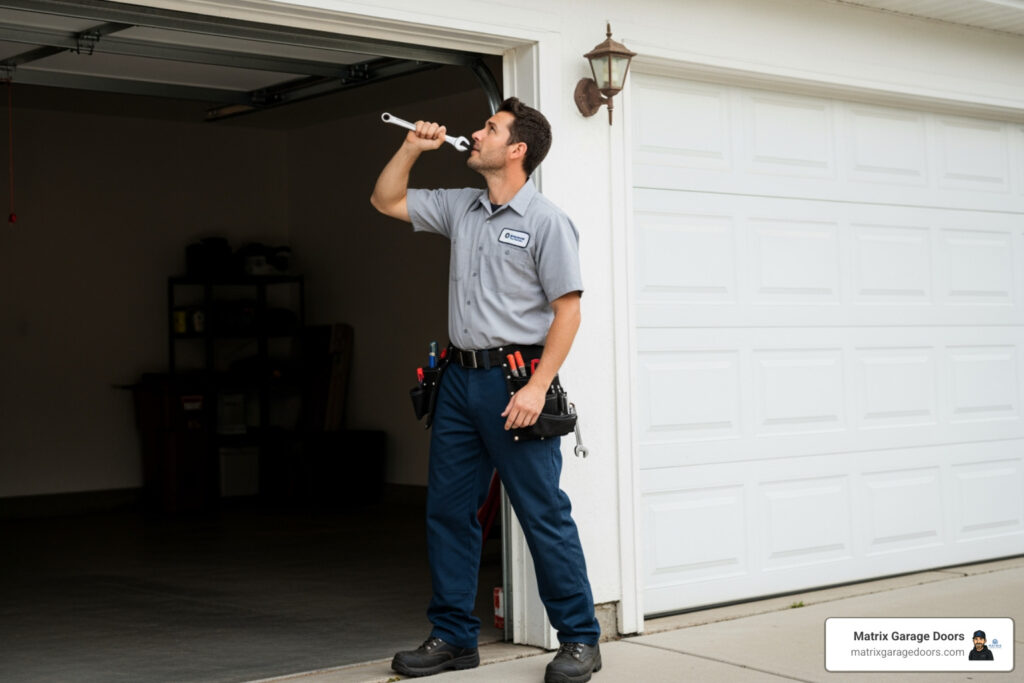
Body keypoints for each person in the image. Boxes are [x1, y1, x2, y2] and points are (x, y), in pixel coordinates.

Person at [370, 97, 601, 683]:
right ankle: (453, 636)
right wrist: (411, 147)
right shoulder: (461, 208)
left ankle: (579, 639)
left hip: (515, 382)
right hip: (457, 382)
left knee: (542, 513)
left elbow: (567, 313)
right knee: (449, 512)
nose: (475, 134)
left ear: (516, 149)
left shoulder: (546, 221)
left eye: (489, 129)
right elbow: (386, 199)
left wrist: (538, 386)